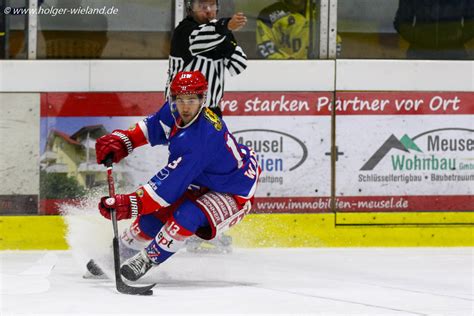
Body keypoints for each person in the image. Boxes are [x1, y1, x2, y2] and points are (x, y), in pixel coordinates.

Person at [94, 71, 261, 281]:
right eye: (180, 99)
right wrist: (124, 141)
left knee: (186, 215)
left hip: (234, 187)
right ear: (173, 98)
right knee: (152, 219)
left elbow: (165, 190)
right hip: (203, 176)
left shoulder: (201, 139)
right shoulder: (174, 112)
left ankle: (146, 259)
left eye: (192, 100)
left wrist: (127, 204)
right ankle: (119, 253)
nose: (185, 106)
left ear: (203, 99)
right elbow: (151, 128)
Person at [165, 0, 248, 108]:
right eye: (202, 6)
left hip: (212, 111)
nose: (208, 11)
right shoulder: (183, 30)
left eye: (212, 5)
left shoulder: (219, 33)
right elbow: (202, 36)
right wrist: (226, 26)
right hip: (180, 110)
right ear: (190, 8)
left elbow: (239, 65)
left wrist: (225, 35)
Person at [256, 0, 342, 59]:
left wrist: (322, 64)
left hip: (316, 70)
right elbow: (266, 49)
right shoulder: (268, 16)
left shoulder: (323, 10)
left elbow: (335, 43)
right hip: (282, 72)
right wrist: (288, 65)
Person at [394, 0, 474, 59]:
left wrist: (458, 36)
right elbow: (401, 22)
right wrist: (419, 37)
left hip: (455, 54)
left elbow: (472, 23)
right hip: (419, 54)